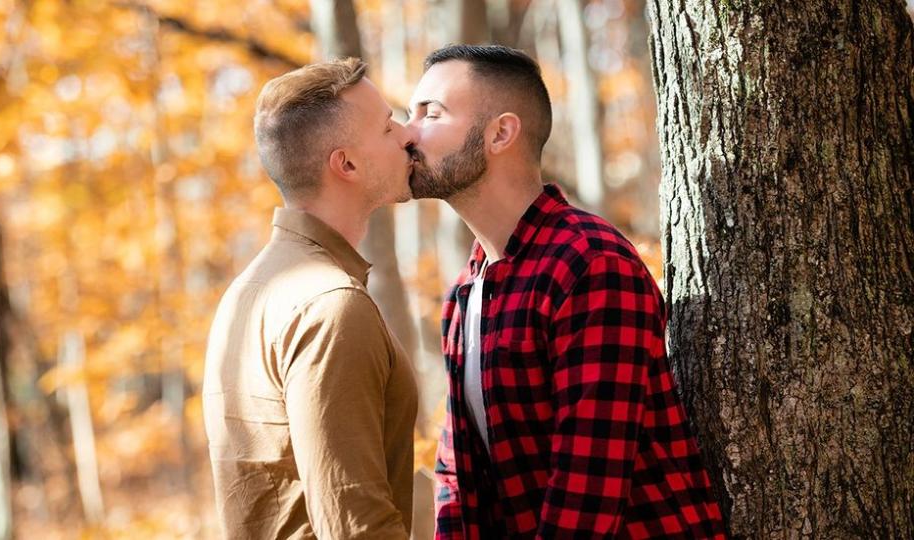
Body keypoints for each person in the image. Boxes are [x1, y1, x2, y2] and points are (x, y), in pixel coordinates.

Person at [405, 44, 726, 538]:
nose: (409, 131)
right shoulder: (465, 293)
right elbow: (457, 478)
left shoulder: (590, 265)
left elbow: (588, 491)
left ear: (500, 133)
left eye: (431, 112)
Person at [202, 57, 417, 539]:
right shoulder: (332, 306)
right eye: (386, 127)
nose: (406, 134)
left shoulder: (249, 291)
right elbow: (356, 525)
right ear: (347, 164)